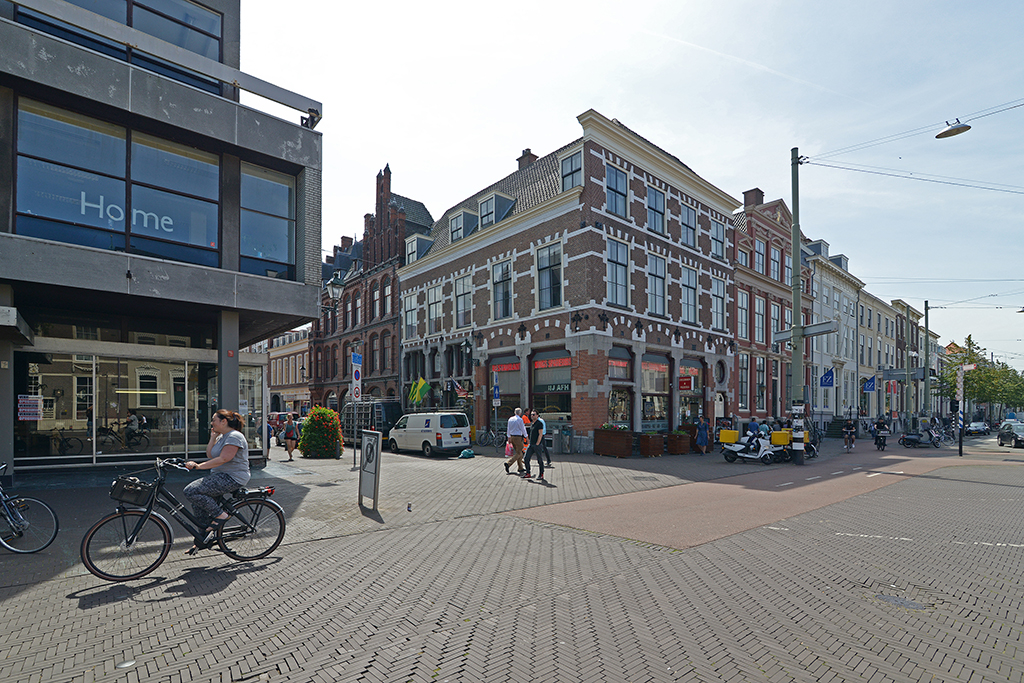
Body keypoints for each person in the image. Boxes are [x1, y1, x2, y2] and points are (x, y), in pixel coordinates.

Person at [184, 409, 250, 554]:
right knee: (198, 504)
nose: (211, 422)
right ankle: (204, 538)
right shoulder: (222, 437)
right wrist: (213, 438)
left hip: (232, 477)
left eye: (214, 420)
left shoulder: (234, 436)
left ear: (223, 421)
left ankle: (221, 515)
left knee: (191, 491)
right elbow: (210, 454)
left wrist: (198, 466)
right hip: (220, 476)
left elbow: (224, 458)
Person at [522, 409, 545, 481]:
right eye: (531, 414)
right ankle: (528, 473)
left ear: (537, 415)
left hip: (537, 445)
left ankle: (541, 474)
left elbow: (540, 434)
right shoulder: (532, 423)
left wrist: (538, 443)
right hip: (531, 444)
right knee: (526, 458)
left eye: (534, 414)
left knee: (539, 460)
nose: (532, 416)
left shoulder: (539, 423)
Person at [504, 408, 527, 474]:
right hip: (518, 437)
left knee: (518, 452)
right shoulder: (520, 420)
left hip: (512, 436)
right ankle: (508, 463)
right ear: (520, 413)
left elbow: (508, 428)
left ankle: (520, 468)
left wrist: (509, 437)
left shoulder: (510, 419)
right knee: (519, 452)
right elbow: (523, 428)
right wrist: (526, 436)